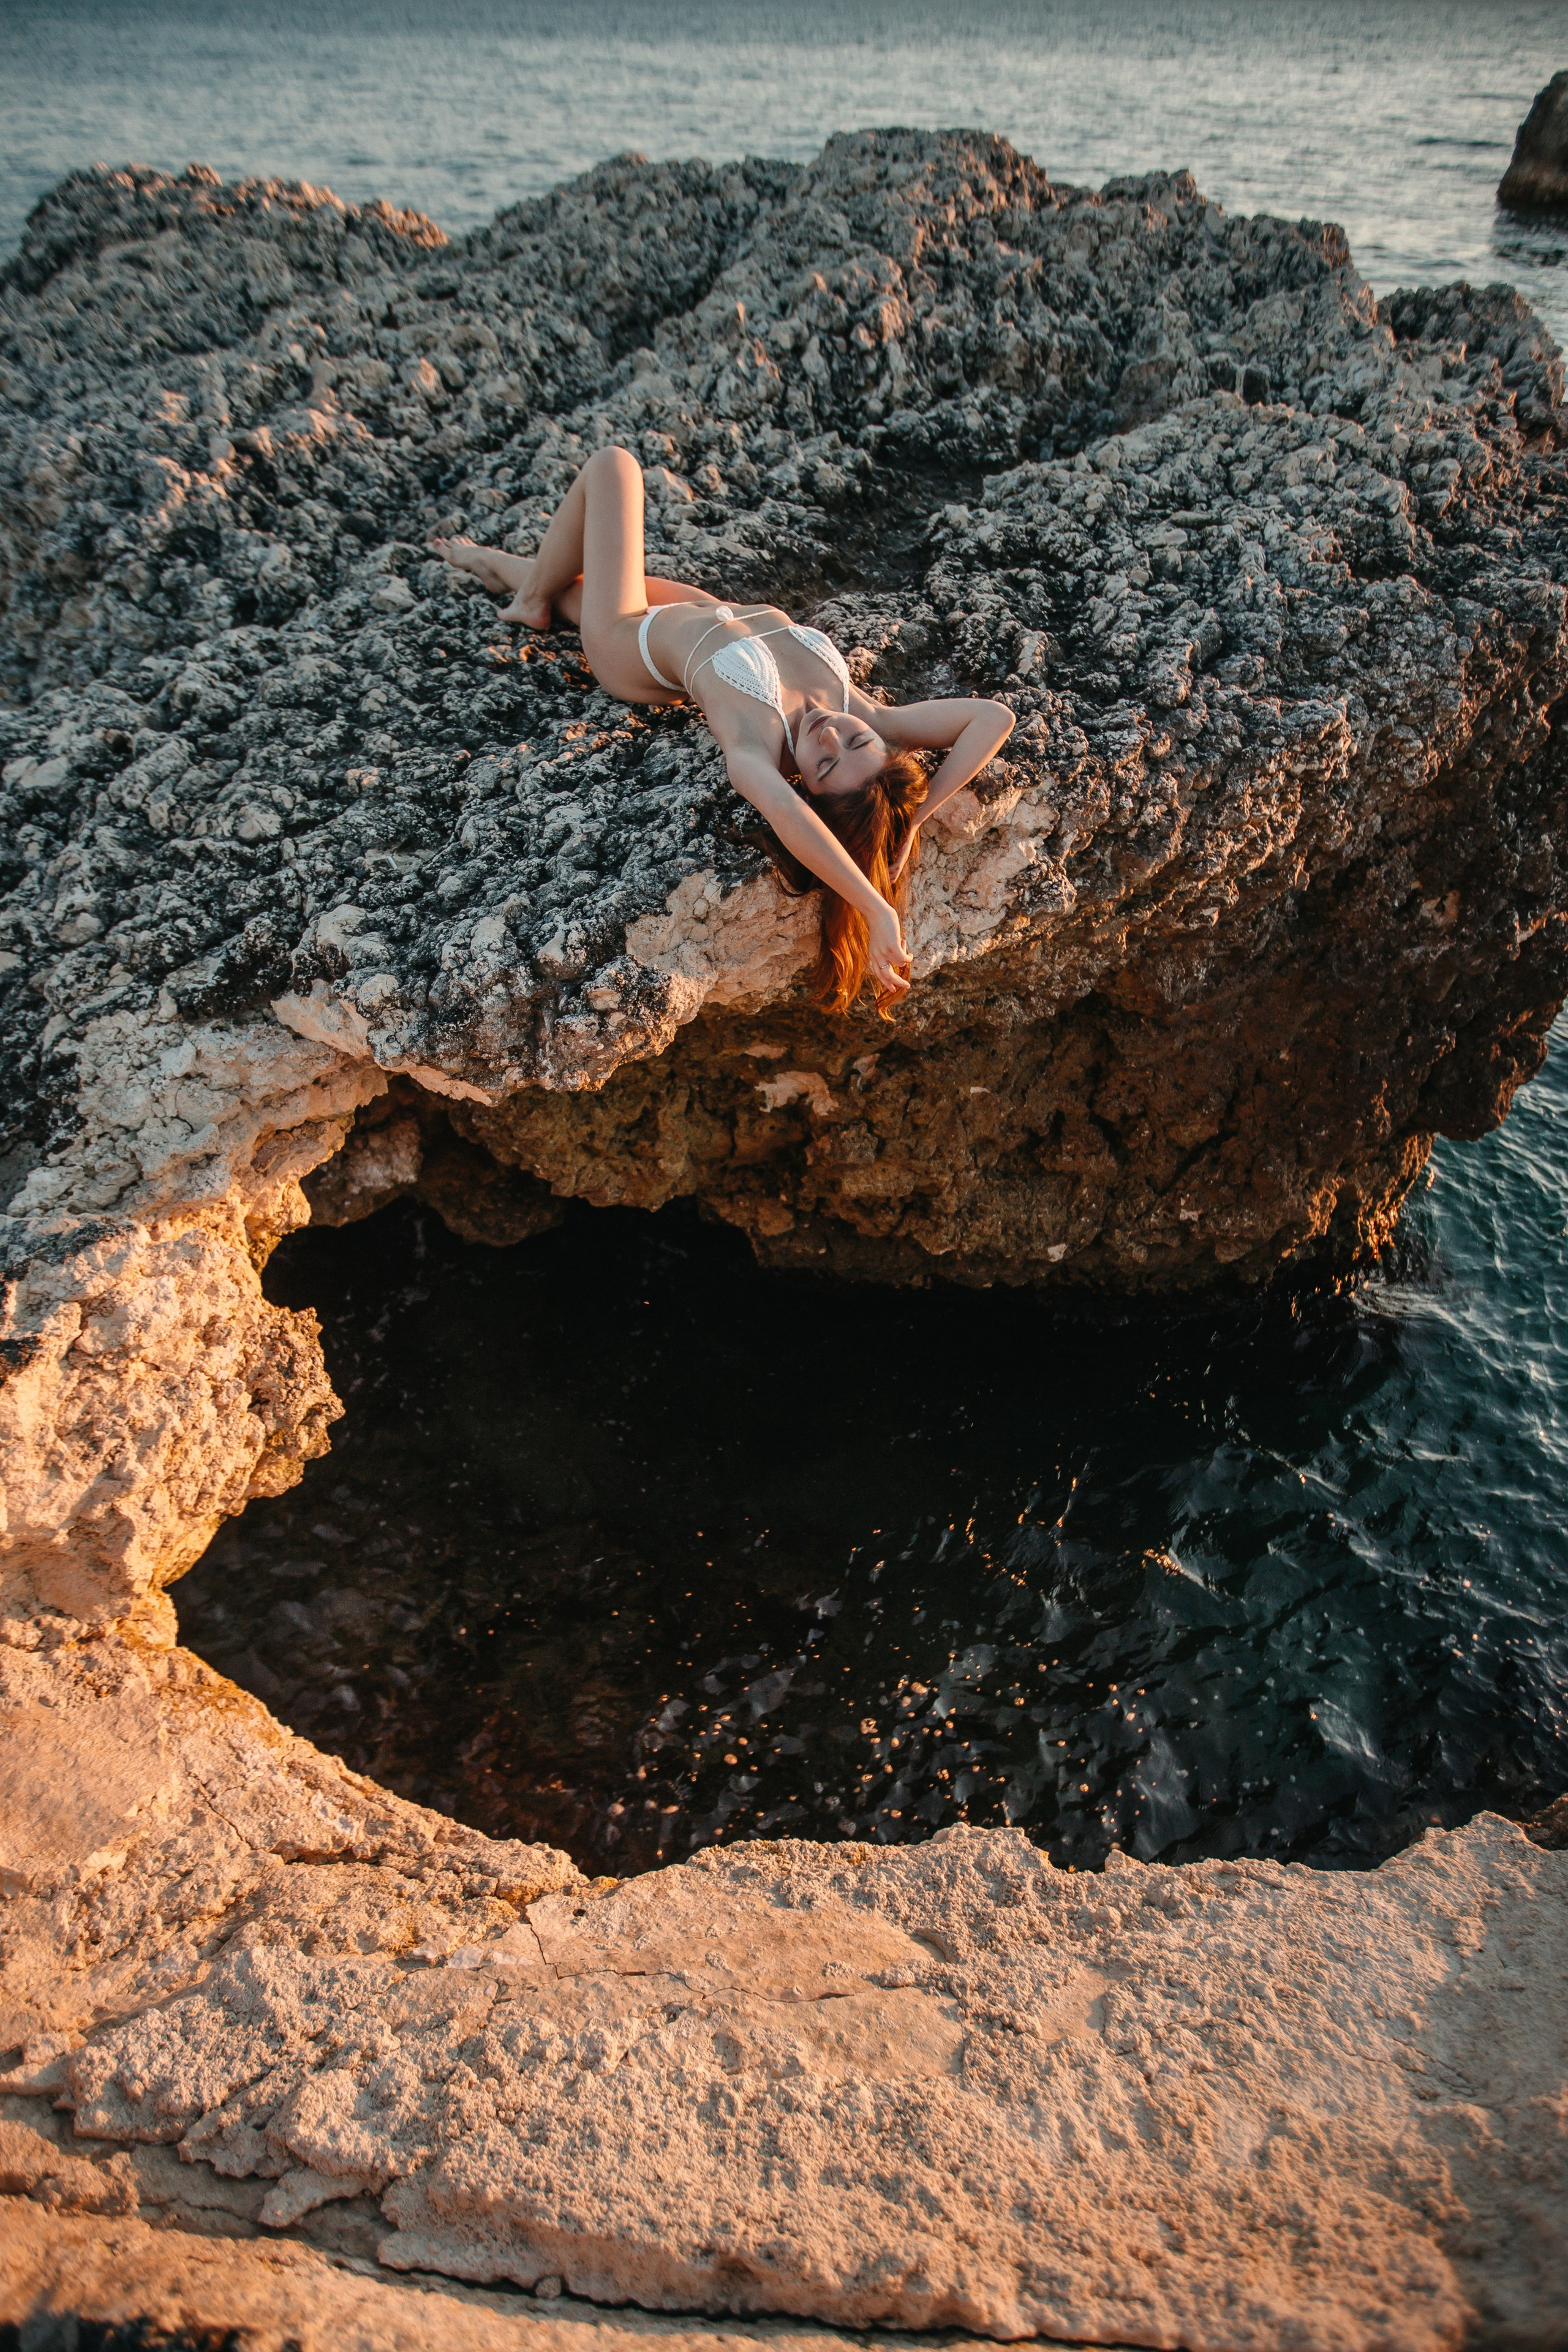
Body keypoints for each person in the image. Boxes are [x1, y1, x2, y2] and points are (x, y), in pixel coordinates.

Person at [434, 445, 1015, 1010]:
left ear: (806, 786)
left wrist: (874, 907)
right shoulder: (866, 715)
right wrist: (916, 817)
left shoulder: (754, 744)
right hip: (703, 612)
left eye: (825, 764)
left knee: (615, 466)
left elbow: (789, 818)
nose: (828, 734)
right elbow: (993, 718)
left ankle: (528, 599)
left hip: (627, 639)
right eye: (857, 742)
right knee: (576, 589)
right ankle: (503, 573)